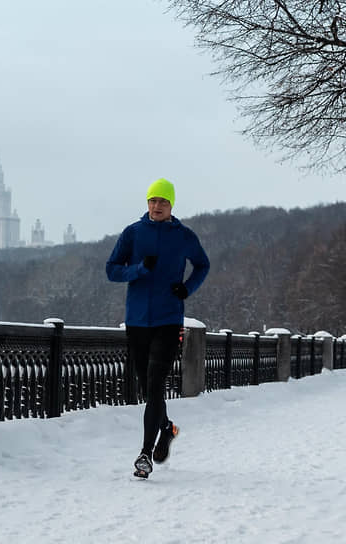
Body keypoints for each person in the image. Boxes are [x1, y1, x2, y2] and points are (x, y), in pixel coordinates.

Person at [106, 178, 210, 478]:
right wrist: (139, 269)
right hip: (137, 321)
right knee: (147, 387)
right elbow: (112, 269)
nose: (157, 206)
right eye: (152, 200)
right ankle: (167, 428)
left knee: (154, 385)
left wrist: (187, 289)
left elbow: (202, 265)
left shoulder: (184, 236)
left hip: (168, 319)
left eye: (163, 201)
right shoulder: (133, 233)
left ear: (171, 205)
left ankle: (144, 455)